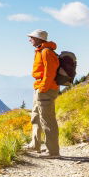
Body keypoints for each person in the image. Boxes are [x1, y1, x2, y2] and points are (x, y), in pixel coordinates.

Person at [27, 29, 60, 157]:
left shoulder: (46, 52)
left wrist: (43, 89)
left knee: (47, 120)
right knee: (36, 116)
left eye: (32, 37)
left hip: (46, 89)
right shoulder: (41, 51)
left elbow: (50, 73)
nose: (30, 40)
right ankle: (35, 144)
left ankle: (53, 151)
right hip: (40, 87)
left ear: (39, 39)